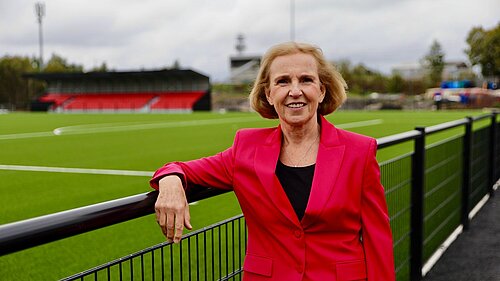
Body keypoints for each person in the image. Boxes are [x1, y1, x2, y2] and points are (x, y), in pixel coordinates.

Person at [150, 42, 395, 280]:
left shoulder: (360, 151)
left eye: (306, 80)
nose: (295, 91)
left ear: (322, 91)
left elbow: (377, 240)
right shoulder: (245, 149)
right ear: (269, 93)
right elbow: (178, 168)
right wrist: (171, 182)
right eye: (283, 81)